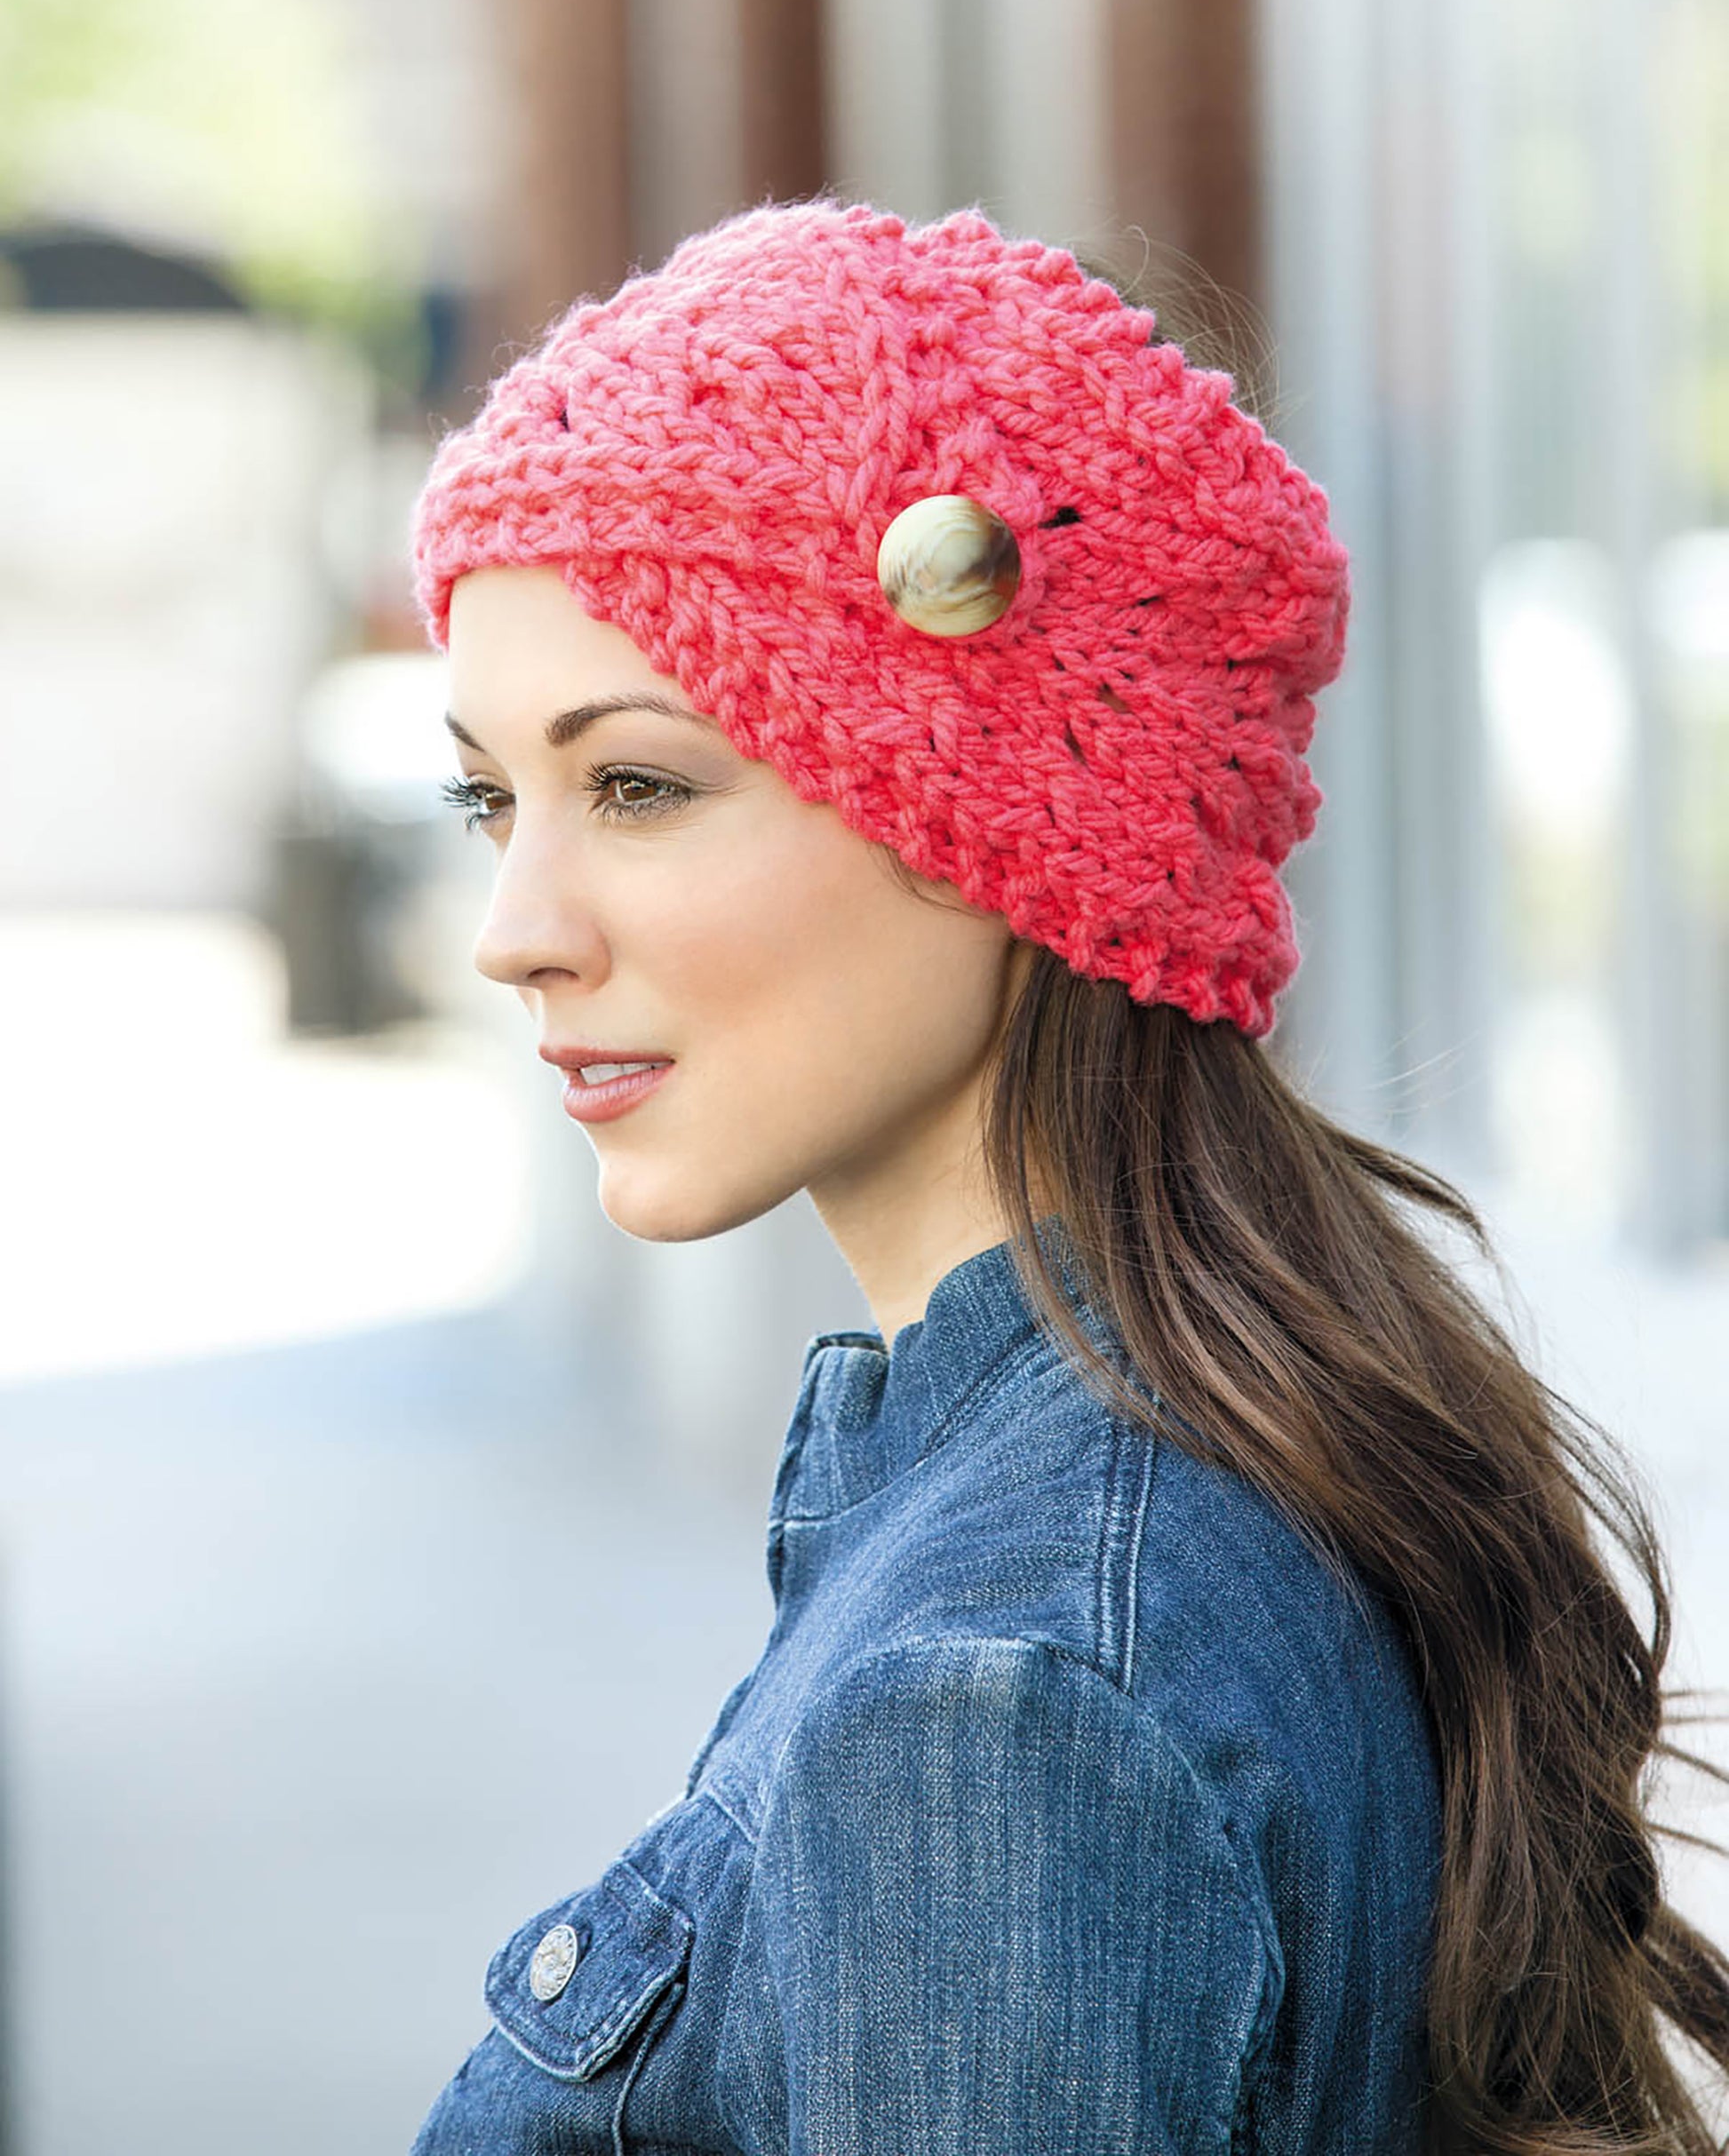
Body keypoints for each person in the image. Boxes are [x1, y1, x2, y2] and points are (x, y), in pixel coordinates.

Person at [403, 198, 1729, 2155]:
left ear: (1007, 820)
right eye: (489, 797)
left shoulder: (994, 1697)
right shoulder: (1191, 1455)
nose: (517, 925)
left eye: (643, 784)